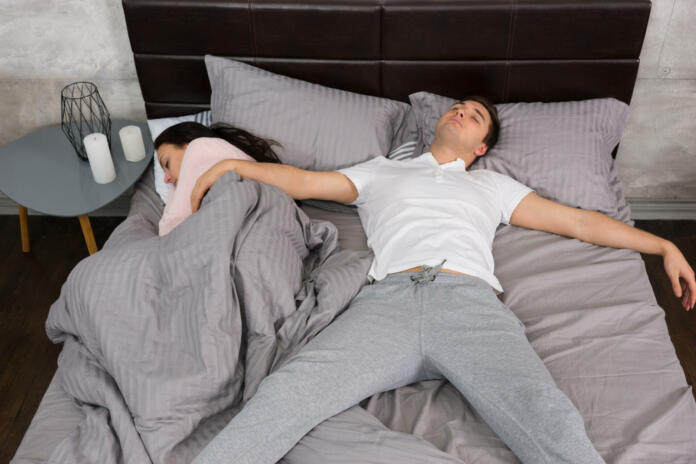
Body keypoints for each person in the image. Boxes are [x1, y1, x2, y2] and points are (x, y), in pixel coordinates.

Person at [189, 96, 696, 464]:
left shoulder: (493, 185)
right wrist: (235, 165)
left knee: (546, 416)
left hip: (467, 304)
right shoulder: (381, 171)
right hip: (386, 303)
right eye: (458, 107)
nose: (461, 112)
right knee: (286, 394)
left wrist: (662, 245)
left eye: (475, 116)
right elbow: (302, 181)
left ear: (481, 147)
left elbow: (580, 221)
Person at [153, 122, 282, 235]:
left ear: (188, 144)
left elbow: (170, 231)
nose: (166, 179)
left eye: (167, 164)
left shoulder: (198, 148)